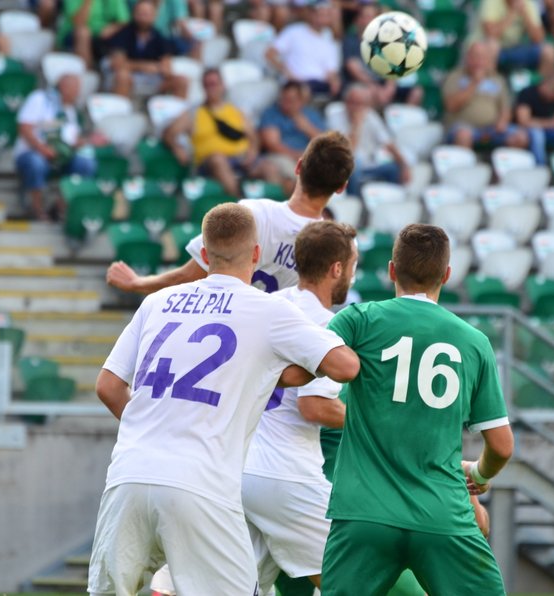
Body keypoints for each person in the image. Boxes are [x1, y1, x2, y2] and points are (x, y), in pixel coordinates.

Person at [87, 202, 360, 595]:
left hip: (128, 473)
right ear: (256, 253)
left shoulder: (157, 302)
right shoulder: (267, 309)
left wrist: (150, 425)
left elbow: (108, 386)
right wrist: (283, 372)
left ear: (204, 253)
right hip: (202, 481)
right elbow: (344, 366)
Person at [321, 224, 514, 595]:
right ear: (447, 275)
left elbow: (308, 374)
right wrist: (480, 474)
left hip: (364, 514)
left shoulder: (357, 320)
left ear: (392, 270)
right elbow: (502, 446)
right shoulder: (474, 342)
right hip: (442, 515)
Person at [242, 221, 357, 594]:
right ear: (337, 269)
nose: (353, 274)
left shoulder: (268, 305)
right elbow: (315, 406)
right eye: (352, 265)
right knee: (352, 580)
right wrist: (375, 425)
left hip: (239, 467)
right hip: (286, 474)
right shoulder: (328, 324)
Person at [107, 130, 355, 295]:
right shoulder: (340, 246)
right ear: (342, 187)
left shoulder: (252, 213)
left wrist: (138, 283)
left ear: (298, 167)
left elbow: (188, 276)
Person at [161, 68, 285, 200]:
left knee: (270, 168)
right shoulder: (194, 113)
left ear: (222, 85)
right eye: (207, 85)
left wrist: (252, 152)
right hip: (210, 163)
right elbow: (169, 133)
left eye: (214, 84)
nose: (211, 88)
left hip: (240, 159)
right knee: (218, 159)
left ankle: (276, 206)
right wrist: (177, 148)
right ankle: (239, 203)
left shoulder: (236, 112)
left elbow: (253, 137)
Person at [14, 73, 98, 221]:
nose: (78, 93)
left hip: (61, 156)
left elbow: (72, 140)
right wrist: (42, 149)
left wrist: (89, 141)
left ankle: (59, 208)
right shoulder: (39, 99)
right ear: (64, 87)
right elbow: (24, 127)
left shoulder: (70, 110)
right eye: (76, 89)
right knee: (36, 162)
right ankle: (37, 209)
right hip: (33, 152)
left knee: (86, 164)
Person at [442, 42, 530, 150]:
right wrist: (474, 83)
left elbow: (505, 108)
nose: (478, 61)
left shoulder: (497, 79)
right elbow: (451, 106)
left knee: (521, 137)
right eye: (475, 56)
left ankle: (501, 160)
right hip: (463, 127)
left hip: (491, 129)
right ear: (467, 58)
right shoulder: (455, 76)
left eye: (482, 57)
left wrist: (502, 121)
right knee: (464, 135)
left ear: (488, 60)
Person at [332, 84, 411, 196]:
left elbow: (388, 144)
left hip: (370, 165)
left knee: (394, 169)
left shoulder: (370, 116)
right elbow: (348, 154)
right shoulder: (335, 117)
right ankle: (354, 201)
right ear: (345, 102)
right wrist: (356, 125)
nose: (355, 107)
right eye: (352, 102)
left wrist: (404, 165)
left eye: (360, 104)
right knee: (353, 166)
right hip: (345, 168)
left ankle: (393, 199)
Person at [341, 4, 423, 108]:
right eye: (365, 16)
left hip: (382, 85)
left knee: (416, 92)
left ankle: (402, 118)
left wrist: (390, 87)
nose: (368, 20)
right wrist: (374, 87)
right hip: (361, 84)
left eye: (371, 17)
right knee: (366, 93)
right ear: (357, 20)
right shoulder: (350, 41)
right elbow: (354, 69)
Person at [105, 0, 188, 98]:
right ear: (134, 14)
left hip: (152, 80)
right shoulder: (122, 34)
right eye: (140, 13)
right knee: (122, 76)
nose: (143, 18)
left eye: (146, 14)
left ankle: (174, 107)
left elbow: (166, 68)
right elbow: (117, 64)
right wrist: (146, 66)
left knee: (181, 81)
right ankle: (120, 106)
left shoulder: (160, 37)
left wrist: (157, 68)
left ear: (154, 16)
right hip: (130, 78)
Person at [266, 2, 341, 99]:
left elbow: (331, 70)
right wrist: (287, 72)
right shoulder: (294, 31)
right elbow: (270, 54)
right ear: (311, 14)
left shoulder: (329, 39)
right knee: (300, 90)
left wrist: (334, 81)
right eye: (320, 14)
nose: (322, 18)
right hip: (296, 82)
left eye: (326, 15)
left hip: (319, 84)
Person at [259, 81, 327, 184]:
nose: (285, 103)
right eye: (283, 99)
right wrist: (296, 155)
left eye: (290, 100)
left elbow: (325, 142)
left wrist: (308, 128)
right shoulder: (271, 114)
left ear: (300, 100)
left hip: (309, 156)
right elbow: (272, 144)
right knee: (296, 174)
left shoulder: (311, 114)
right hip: (282, 157)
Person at [475, 0, 554, 74]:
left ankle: (541, 85)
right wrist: (512, 13)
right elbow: (490, 33)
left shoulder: (528, 3)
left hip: (517, 46)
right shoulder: (492, 2)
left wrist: (525, 14)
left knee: (548, 51)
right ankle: (489, 83)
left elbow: (539, 38)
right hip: (496, 48)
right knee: (492, 45)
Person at [57, 0, 130, 69]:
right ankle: (87, 71)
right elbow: (78, 22)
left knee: (122, 39)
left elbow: (124, 20)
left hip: (102, 35)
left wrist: (112, 28)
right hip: (73, 34)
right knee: (83, 32)